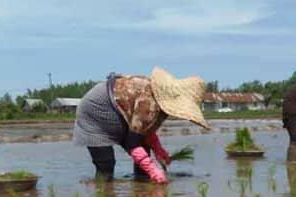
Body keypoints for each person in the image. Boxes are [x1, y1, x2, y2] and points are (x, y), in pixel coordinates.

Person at [73, 67, 208, 184]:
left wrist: (159, 150)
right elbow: (133, 143)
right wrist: (154, 170)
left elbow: (145, 129)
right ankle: (103, 196)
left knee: (145, 150)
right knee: (106, 164)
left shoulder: (159, 104)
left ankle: (141, 187)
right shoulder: (149, 103)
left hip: (119, 113)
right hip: (95, 112)